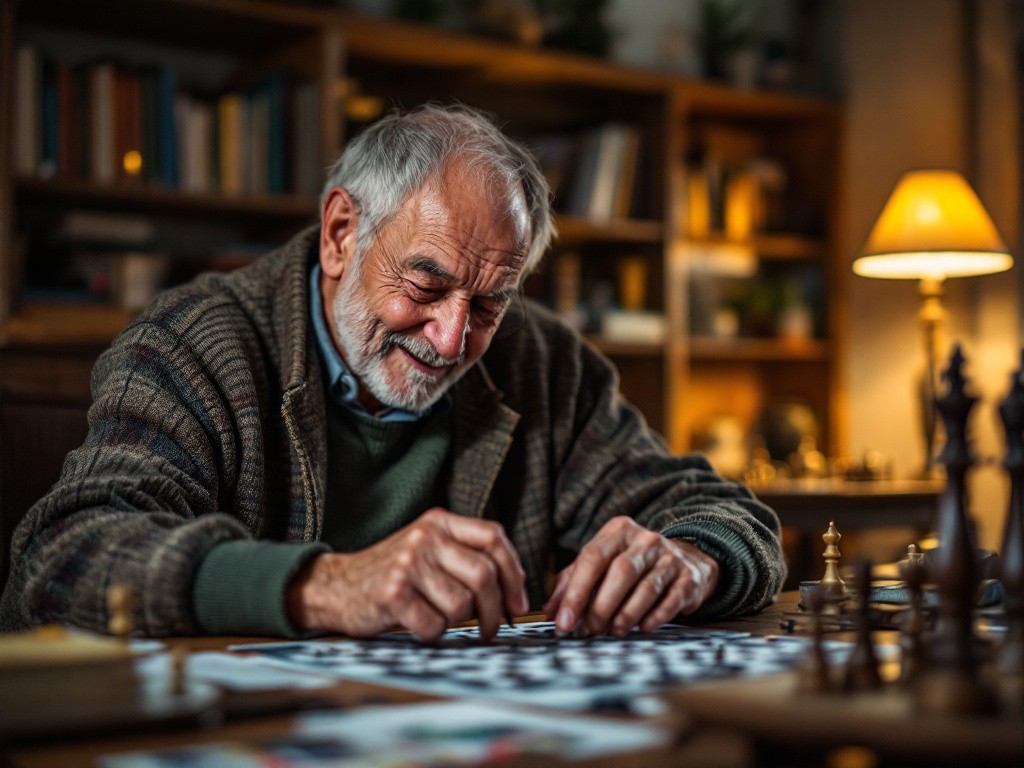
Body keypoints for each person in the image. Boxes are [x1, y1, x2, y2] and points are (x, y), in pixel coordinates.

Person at [0, 104, 784, 641]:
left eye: (488, 303)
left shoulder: (543, 361)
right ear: (342, 232)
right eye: (425, 286)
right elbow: (63, 559)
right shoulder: (193, 344)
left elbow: (723, 512)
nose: (450, 339)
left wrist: (693, 556)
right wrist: (325, 586)